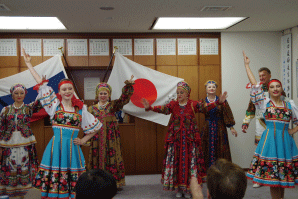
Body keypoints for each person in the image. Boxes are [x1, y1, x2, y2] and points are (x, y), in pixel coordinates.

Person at [22, 49, 102, 199]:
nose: (67, 91)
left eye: (70, 89)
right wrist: (28, 64)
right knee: (55, 174)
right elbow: (41, 83)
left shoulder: (80, 109)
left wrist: (84, 139)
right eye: (64, 89)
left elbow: (96, 127)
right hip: (56, 146)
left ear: (73, 91)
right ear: (59, 91)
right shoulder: (54, 106)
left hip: (73, 147)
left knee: (73, 176)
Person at [142, 81, 227, 198]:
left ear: (187, 94)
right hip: (176, 142)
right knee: (177, 163)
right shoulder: (173, 105)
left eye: (181, 92)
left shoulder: (193, 104)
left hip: (189, 142)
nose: (179, 94)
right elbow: (163, 109)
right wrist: (150, 107)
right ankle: (179, 189)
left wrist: (218, 102)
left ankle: (188, 189)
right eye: (178, 93)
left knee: (189, 164)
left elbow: (204, 107)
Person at [243, 51, 298, 199]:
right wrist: (247, 66)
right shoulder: (264, 103)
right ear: (269, 89)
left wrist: (292, 130)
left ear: (281, 89)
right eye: (272, 87)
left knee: (283, 178)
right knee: (274, 179)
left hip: (286, 142)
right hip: (270, 142)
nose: (275, 89)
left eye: (277, 87)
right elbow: (255, 85)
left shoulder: (289, 104)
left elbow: (297, 120)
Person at [87, 77, 134, 188]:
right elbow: (87, 124)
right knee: (96, 157)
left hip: (110, 138)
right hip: (96, 138)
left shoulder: (113, 106)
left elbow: (124, 99)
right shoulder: (91, 109)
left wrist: (128, 86)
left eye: (105, 94)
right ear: (97, 95)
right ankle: (97, 183)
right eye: (101, 93)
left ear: (109, 95)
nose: (103, 95)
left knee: (111, 157)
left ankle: (113, 183)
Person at [0, 83, 40, 198]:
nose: (19, 95)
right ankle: (11, 194)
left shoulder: (28, 108)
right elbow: (1, 127)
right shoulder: (6, 110)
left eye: (21, 93)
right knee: (10, 167)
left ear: (25, 94)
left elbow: (40, 102)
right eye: (16, 93)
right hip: (9, 145)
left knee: (24, 166)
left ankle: (24, 194)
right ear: (12, 95)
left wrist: (43, 87)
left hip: (25, 144)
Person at [242, 65, 272, 188]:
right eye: (259, 76)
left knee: (273, 151)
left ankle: (272, 176)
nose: (261, 77)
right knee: (260, 152)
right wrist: (245, 123)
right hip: (260, 125)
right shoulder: (256, 90)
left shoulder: (276, 88)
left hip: (274, 125)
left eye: (263, 75)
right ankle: (258, 178)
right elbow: (250, 109)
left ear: (269, 75)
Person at [200, 80, 237, 169]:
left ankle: (222, 170)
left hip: (220, 128)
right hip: (207, 128)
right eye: (209, 87)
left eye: (213, 87)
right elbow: (203, 110)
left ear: (216, 89)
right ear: (206, 89)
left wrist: (231, 127)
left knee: (221, 148)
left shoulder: (223, 100)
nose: (211, 88)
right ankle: (206, 171)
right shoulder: (203, 101)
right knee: (206, 148)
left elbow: (227, 113)